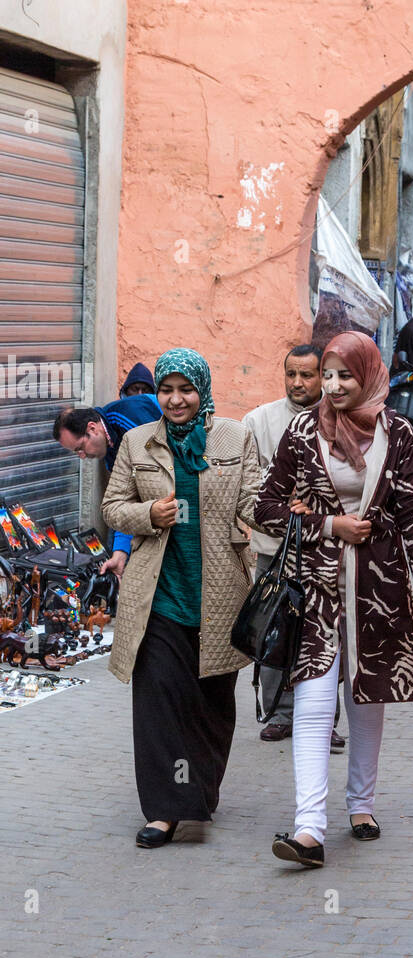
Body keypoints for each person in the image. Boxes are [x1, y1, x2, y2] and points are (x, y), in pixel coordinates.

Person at [254, 332, 413, 868]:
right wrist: (327, 524)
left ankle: (361, 805)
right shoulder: (300, 432)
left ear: (369, 376)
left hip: (378, 591)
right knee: (314, 703)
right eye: (329, 376)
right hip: (314, 590)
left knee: (367, 698)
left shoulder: (399, 434)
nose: (334, 386)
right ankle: (309, 828)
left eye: (345, 376)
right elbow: (265, 507)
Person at [101, 350, 262, 848]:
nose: (175, 400)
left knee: (212, 706)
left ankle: (200, 792)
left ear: (202, 391)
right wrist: (149, 514)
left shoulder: (234, 438)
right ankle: (165, 811)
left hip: (220, 596)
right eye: (166, 390)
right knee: (159, 705)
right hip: (159, 598)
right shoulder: (135, 441)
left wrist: (289, 510)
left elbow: (254, 501)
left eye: (185, 390)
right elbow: (111, 507)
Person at [243, 344, 346, 750]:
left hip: (326, 548)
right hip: (276, 547)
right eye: (291, 374)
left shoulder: (342, 418)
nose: (299, 383)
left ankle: (322, 718)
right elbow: (249, 484)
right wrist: (280, 507)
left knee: (324, 631)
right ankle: (279, 713)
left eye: (307, 375)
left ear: (323, 375)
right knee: (273, 627)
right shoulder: (259, 420)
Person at [53, 391, 162, 578]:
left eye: (80, 448)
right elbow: (126, 496)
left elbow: (158, 480)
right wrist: (120, 552)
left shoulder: (130, 422)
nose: (82, 456)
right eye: (76, 452)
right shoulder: (111, 449)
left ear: (93, 428)